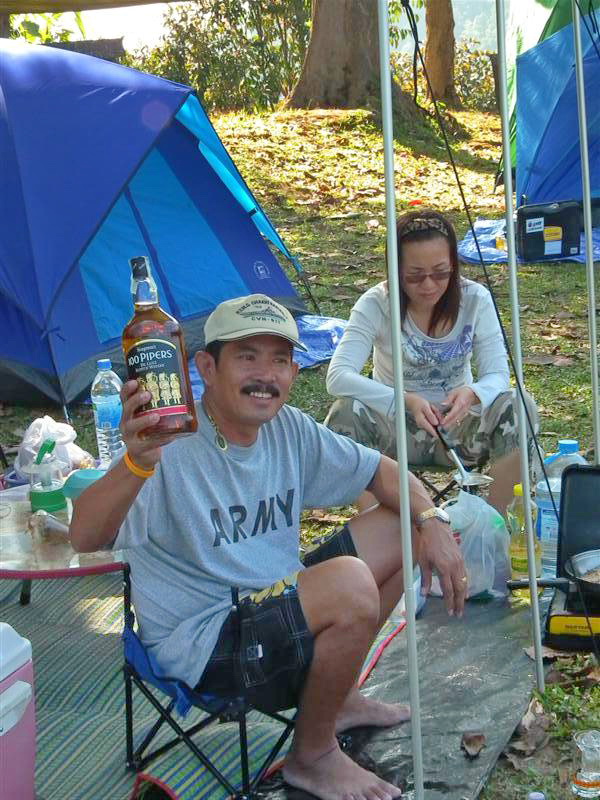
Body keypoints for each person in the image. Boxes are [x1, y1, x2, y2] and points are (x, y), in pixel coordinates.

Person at [70, 293, 466, 800]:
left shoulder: (288, 428)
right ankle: (313, 757)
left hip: (273, 603)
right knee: (349, 583)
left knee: (401, 525)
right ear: (206, 368)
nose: (265, 375)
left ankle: (339, 700)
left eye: (279, 360)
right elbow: (84, 537)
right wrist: (136, 462)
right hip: (206, 642)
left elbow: (382, 472)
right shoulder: (168, 442)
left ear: (294, 373)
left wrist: (432, 520)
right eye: (247, 357)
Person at [324, 210, 539, 514]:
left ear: (454, 266)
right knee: (345, 412)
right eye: (415, 275)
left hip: (459, 428)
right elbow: (337, 377)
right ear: (396, 270)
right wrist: (405, 400)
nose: (428, 286)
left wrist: (473, 393)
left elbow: (498, 374)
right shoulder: (376, 304)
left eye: (441, 273)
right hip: (394, 432)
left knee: (521, 404)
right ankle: (383, 529)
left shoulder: (475, 299)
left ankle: (499, 525)